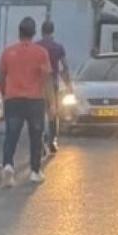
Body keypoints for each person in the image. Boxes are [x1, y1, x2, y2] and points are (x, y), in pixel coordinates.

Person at [0, 17, 52, 187]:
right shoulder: (41, 52)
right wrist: (50, 102)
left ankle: (8, 165)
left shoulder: (8, 52)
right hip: (35, 100)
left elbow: (2, 77)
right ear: (34, 33)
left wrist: (5, 94)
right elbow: (46, 78)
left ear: (19, 32)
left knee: (11, 135)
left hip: (13, 99)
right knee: (36, 135)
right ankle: (35, 171)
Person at [36, 20, 72, 154]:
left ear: (41, 31)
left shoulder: (36, 46)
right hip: (52, 84)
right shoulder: (58, 47)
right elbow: (65, 67)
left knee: (39, 115)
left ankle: (40, 141)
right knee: (53, 113)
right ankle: (52, 140)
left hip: (38, 85)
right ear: (53, 31)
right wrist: (68, 85)